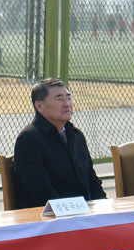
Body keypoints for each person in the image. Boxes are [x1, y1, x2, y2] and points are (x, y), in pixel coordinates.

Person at [11, 78, 105, 209]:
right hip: (49, 221)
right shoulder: (28, 139)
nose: (67, 104)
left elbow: (92, 181)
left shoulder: (76, 136)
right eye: (59, 99)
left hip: (83, 214)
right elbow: (41, 194)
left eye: (69, 98)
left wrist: (104, 207)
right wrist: (78, 211)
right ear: (39, 106)